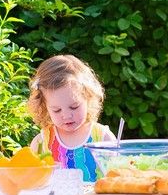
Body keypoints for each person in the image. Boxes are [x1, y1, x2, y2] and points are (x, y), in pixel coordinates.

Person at [27, 54, 116, 182]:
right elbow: (34, 183)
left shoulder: (102, 138)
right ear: (44, 106)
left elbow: (117, 178)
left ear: (88, 97)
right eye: (57, 110)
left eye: (74, 107)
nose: (67, 115)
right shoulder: (42, 143)